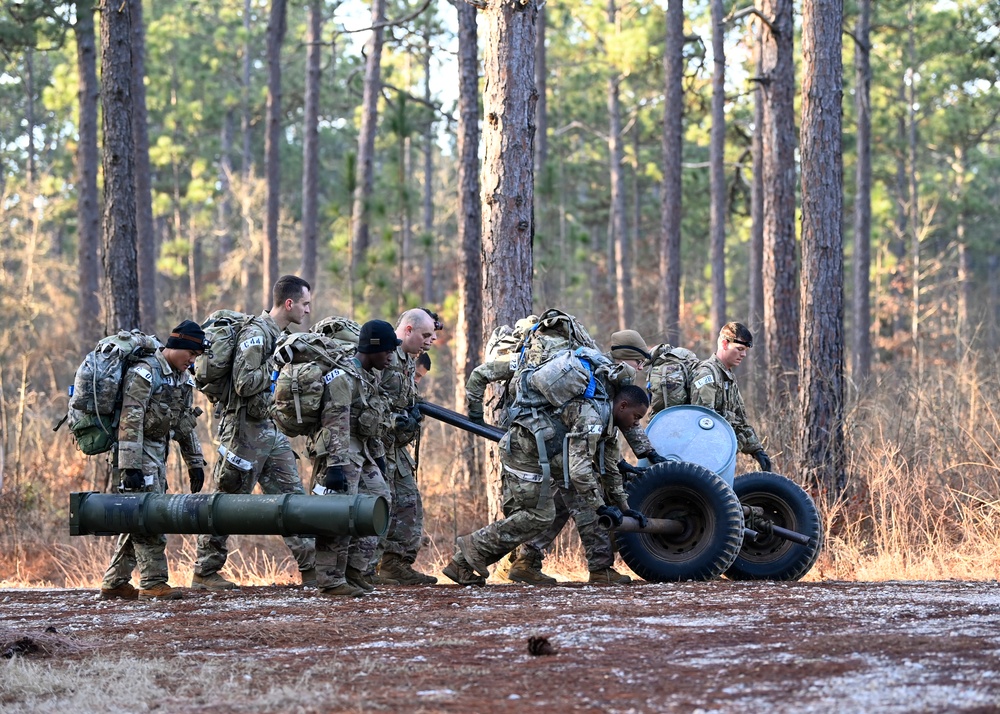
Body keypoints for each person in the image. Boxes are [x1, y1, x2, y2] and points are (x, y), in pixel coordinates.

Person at [442, 371, 650, 587]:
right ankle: (471, 549)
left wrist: (625, 508)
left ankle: (600, 569)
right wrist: (602, 507)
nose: (636, 424)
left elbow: (610, 469)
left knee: (585, 501)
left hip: (548, 457)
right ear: (622, 406)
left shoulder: (607, 422)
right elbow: (579, 470)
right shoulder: (593, 418)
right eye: (636, 417)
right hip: (524, 453)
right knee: (539, 516)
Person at [506, 329, 663, 585]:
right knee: (591, 505)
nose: (640, 368)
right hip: (571, 453)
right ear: (625, 358)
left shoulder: (613, 380)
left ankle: (526, 560)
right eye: (638, 362)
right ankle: (601, 569)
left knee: (558, 508)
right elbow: (603, 420)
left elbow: (625, 423)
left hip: (570, 452)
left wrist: (649, 453)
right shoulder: (599, 377)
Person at [191, 276, 317, 591]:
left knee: (292, 499)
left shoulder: (281, 336)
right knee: (228, 500)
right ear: (289, 304)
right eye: (304, 304)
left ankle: (314, 568)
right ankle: (205, 572)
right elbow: (244, 384)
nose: (307, 310)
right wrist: (276, 361)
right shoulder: (256, 335)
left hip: (270, 431)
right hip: (243, 432)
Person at [99, 320, 208, 601]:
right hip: (138, 451)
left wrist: (194, 462)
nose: (192, 360)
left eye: (196, 357)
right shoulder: (145, 372)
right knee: (149, 514)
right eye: (191, 354)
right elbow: (130, 420)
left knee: (139, 517)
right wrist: (130, 465)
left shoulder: (182, 377)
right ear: (179, 346)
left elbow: (184, 421)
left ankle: (114, 583)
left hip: (158, 452)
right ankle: (153, 583)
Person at [309, 320, 396, 597]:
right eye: (387, 351)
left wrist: (379, 457)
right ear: (373, 349)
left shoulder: (369, 377)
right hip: (341, 453)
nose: (390, 357)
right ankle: (331, 580)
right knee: (339, 513)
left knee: (379, 502)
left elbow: (375, 418)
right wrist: (335, 465)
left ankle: (355, 570)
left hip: (364, 452)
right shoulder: (342, 377)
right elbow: (336, 420)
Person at [371, 309, 438, 585]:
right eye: (425, 335)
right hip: (375, 446)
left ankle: (395, 564)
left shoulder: (409, 361)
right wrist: (392, 420)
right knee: (377, 505)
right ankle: (365, 567)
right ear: (408, 330)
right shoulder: (383, 356)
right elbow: (366, 398)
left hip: (396, 447)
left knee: (409, 504)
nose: (429, 341)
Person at [690, 322, 772, 472]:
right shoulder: (707, 375)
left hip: (719, 458)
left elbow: (740, 420)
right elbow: (705, 425)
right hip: (703, 461)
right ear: (724, 343)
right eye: (740, 349)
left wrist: (757, 450)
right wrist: (738, 442)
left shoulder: (728, 378)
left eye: (745, 350)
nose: (744, 354)